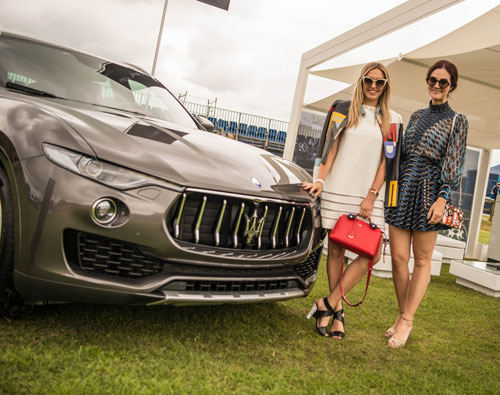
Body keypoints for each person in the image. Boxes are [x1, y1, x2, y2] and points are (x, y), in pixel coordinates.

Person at [303, 62, 403, 339]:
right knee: (335, 251)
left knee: (368, 254)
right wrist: (320, 180)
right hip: (337, 187)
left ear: (385, 86)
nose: (373, 86)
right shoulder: (343, 109)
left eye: (379, 82)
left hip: (369, 194)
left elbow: (388, 162)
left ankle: (328, 302)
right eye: (368, 81)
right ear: (361, 82)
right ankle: (337, 316)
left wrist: (371, 195)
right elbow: (330, 150)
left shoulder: (394, 119)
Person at [384, 60, 468, 348]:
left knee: (421, 260)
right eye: (432, 79)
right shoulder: (417, 115)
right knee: (397, 258)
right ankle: (401, 314)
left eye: (443, 82)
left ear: (451, 86)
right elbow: (402, 154)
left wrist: (443, 198)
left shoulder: (458, 121)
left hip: (431, 191)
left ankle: (407, 320)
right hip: (404, 187)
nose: (436, 85)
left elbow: (453, 164)